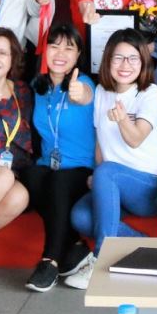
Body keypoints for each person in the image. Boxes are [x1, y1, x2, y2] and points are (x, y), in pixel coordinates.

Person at [65, 30, 157, 290]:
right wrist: (98, 177)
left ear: (143, 62)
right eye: (118, 58)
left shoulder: (152, 94)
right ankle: (145, 246)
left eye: (133, 58)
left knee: (108, 172)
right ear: (108, 60)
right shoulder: (102, 91)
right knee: (80, 217)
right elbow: (101, 144)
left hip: (148, 187)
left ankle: (99, 260)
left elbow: (135, 139)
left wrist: (122, 120)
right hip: (113, 183)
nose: (125, 65)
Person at [20, 23, 98, 292]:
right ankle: (74, 247)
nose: (60, 53)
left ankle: (50, 262)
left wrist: (79, 94)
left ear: (78, 55)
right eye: (54, 46)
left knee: (57, 182)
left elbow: (84, 96)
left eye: (69, 48)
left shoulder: (84, 83)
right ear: (44, 50)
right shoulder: (38, 86)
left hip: (80, 169)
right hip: (49, 165)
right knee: (30, 175)